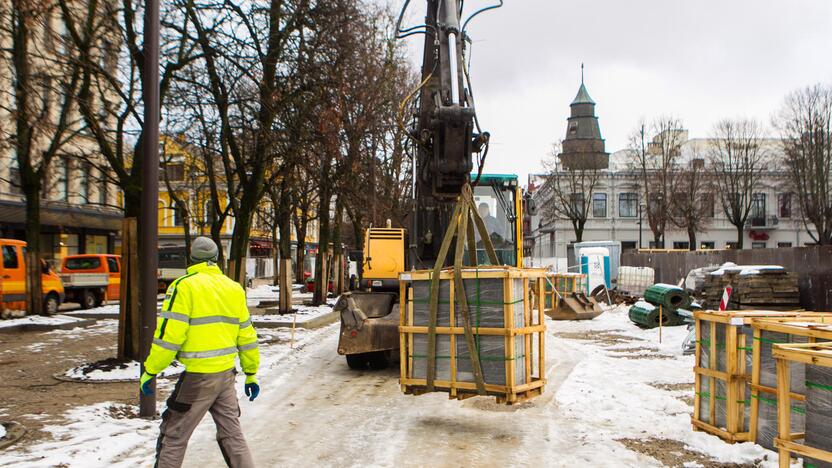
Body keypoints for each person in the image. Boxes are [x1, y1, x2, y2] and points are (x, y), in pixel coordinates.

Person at [140, 236, 260, 468]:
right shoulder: (234, 288)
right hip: (225, 375)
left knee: (173, 435)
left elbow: (169, 337)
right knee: (231, 434)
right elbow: (247, 335)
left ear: (191, 258)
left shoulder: (183, 287)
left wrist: (150, 369)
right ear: (216, 259)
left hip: (198, 378)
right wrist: (251, 372)